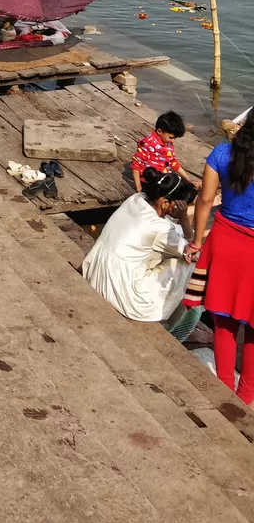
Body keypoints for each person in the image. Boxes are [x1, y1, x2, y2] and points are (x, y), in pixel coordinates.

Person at [183, 117, 254, 402]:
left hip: (224, 242)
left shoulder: (223, 153)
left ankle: (225, 391)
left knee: (223, 322)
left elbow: (205, 199)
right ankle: (246, 397)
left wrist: (197, 241)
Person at [82, 168, 197, 329]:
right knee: (190, 264)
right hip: (122, 294)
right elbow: (191, 250)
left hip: (95, 272)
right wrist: (184, 218)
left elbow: (169, 231)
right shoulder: (160, 228)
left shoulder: (135, 199)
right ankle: (174, 325)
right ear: (164, 202)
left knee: (171, 252)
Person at [131, 111, 199, 192]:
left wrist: (188, 179)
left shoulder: (168, 143)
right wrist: (138, 187)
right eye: (171, 137)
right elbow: (136, 165)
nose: (173, 141)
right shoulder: (147, 144)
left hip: (165, 177)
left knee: (189, 188)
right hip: (151, 181)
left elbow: (173, 162)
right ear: (159, 131)